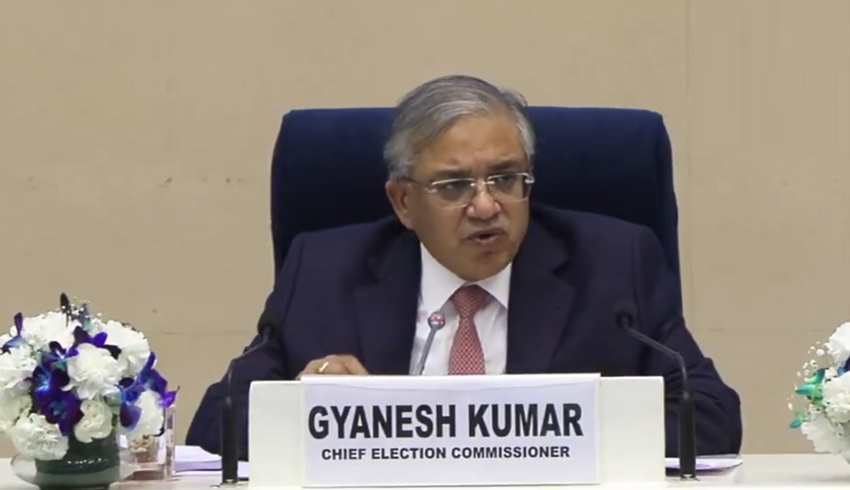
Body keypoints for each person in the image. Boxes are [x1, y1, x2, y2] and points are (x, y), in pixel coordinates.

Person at [186, 75, 742, 458]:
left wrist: (556, 431)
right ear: (403, 202)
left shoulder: (615, 265)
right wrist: (303, 409)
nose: (485, 206)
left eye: (505, 179)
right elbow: (215, 425)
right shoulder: (324, 271)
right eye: (454, 186)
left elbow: (712, 419)